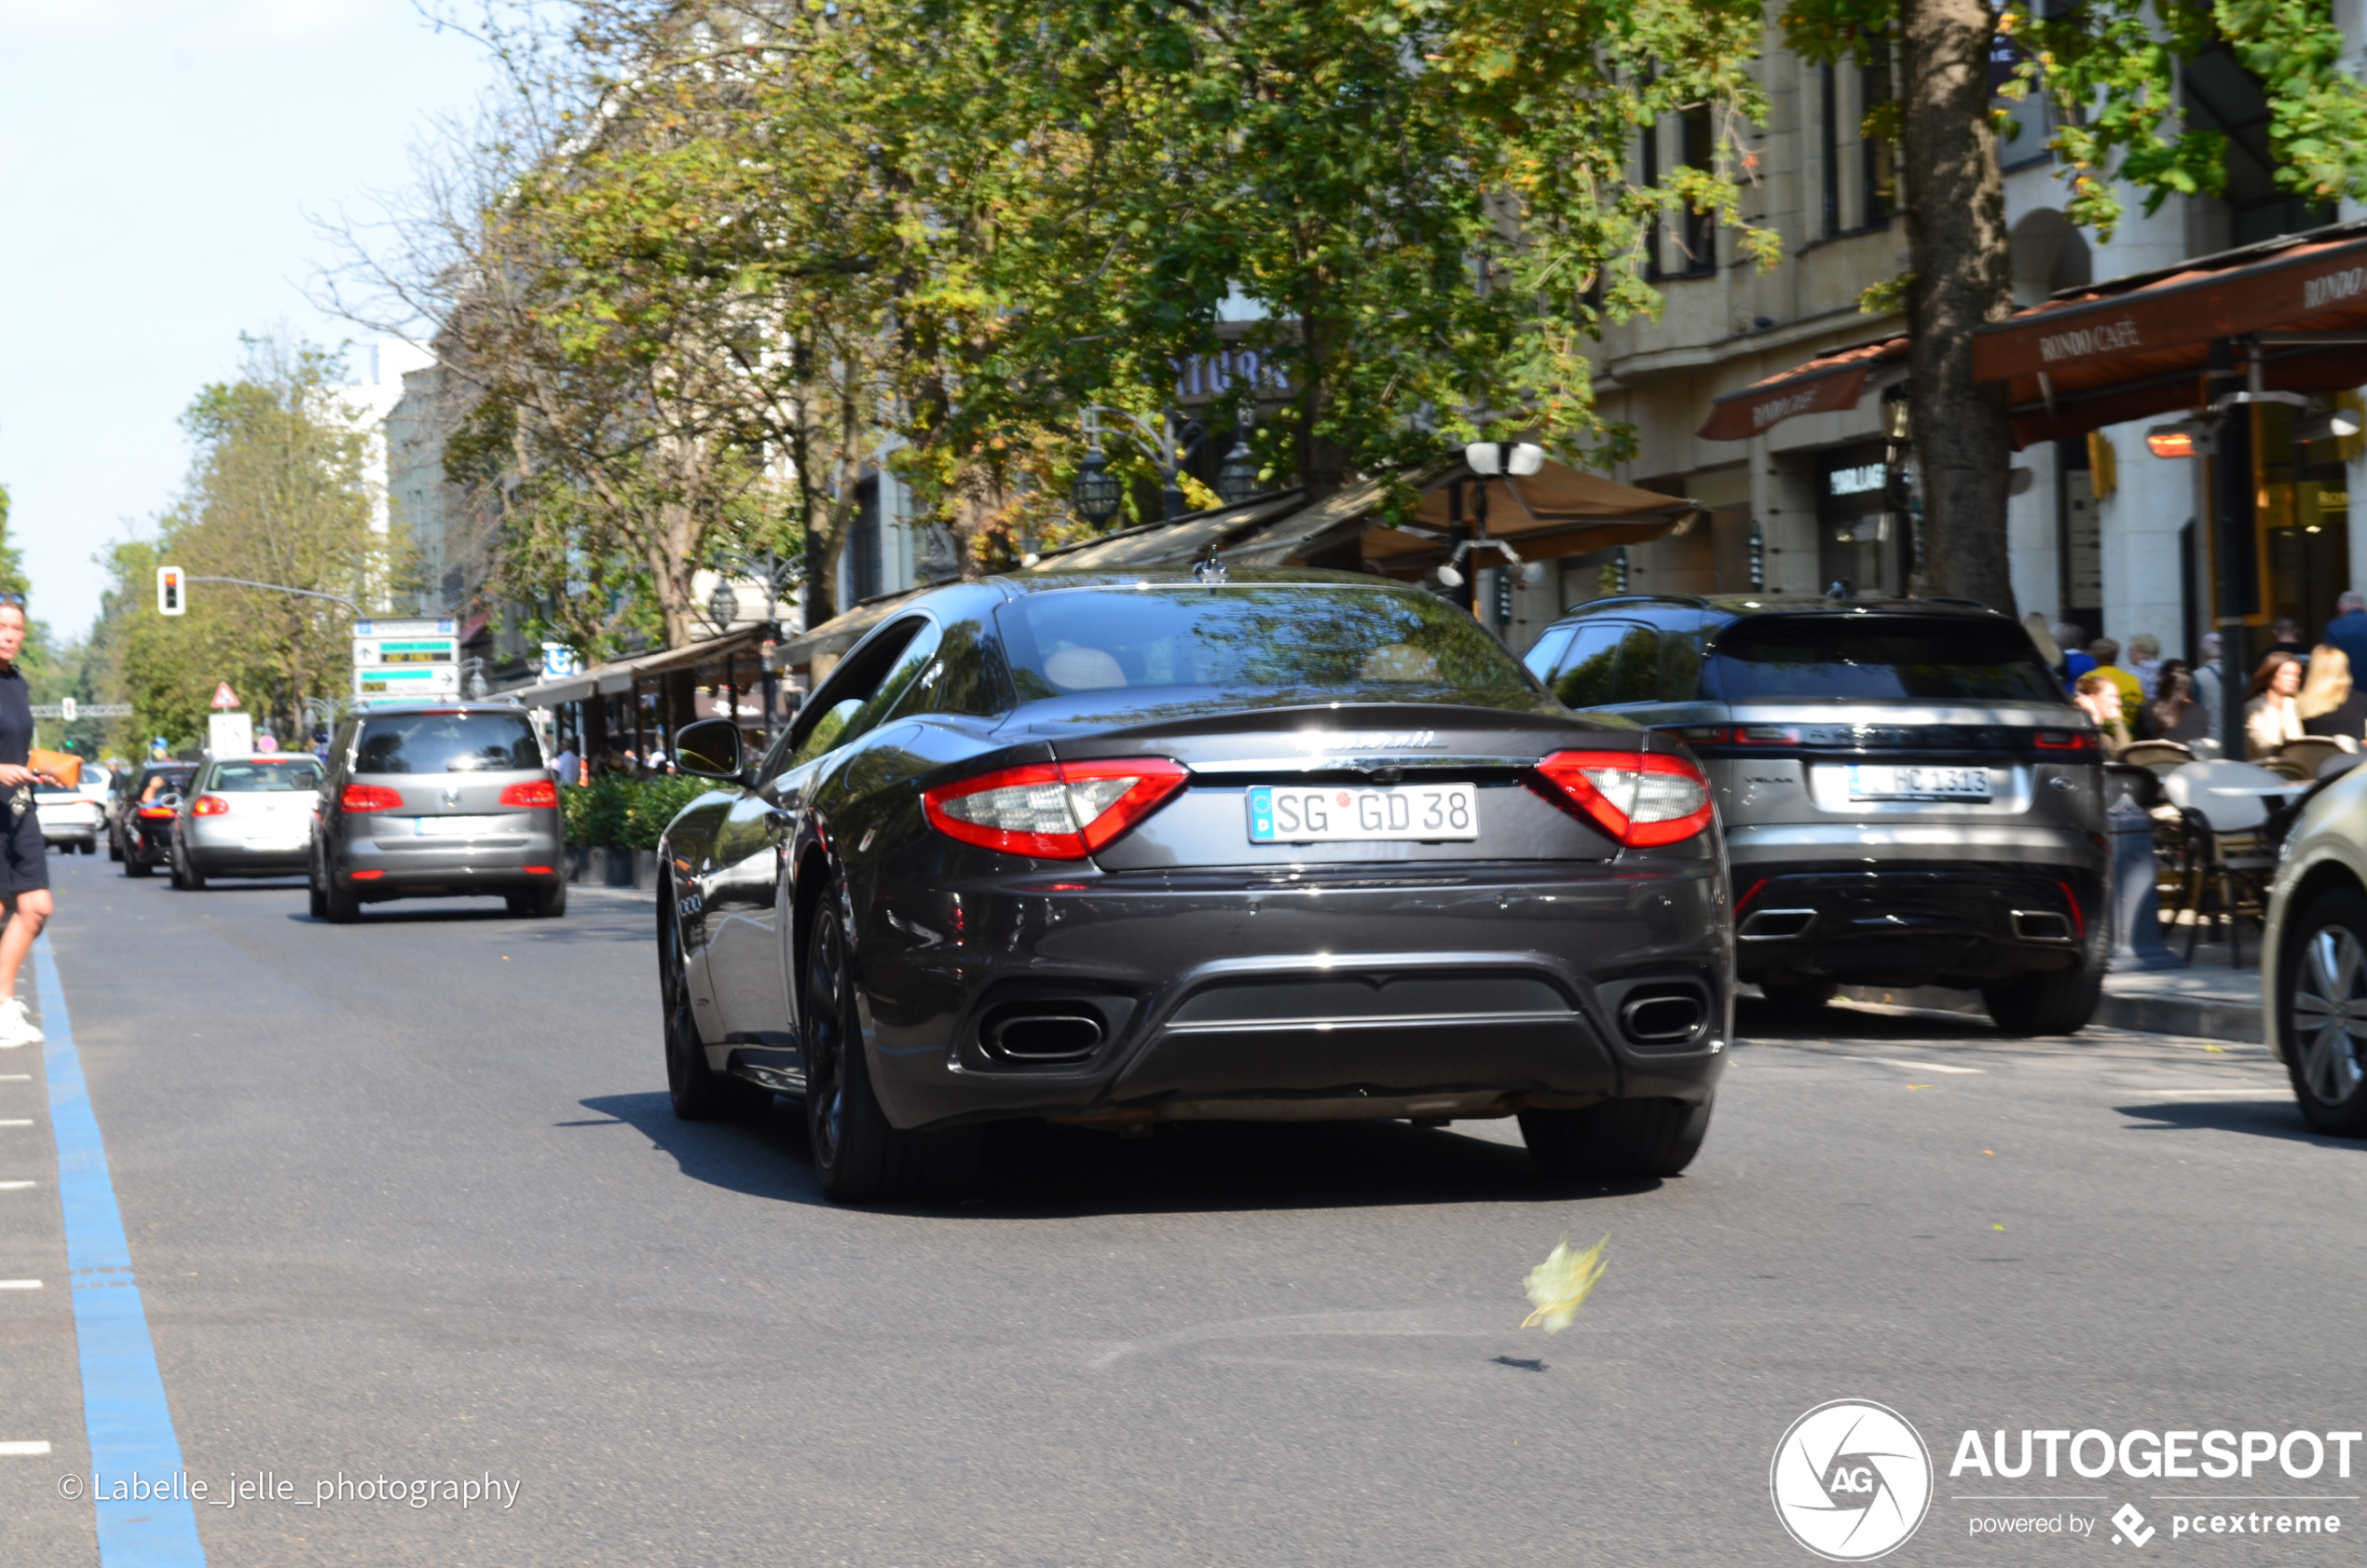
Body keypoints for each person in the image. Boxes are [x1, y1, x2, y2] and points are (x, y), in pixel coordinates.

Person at [0, 598, 56, 1049]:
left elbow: (19, 746)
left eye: (17, 628)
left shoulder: (16, 682)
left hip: (19, 806)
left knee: (36, 906)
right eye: (2, 625)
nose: (10, 635)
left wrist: (46, 767)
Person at [2298, 644, 2367, 748]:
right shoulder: (2361, 700)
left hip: (2315, 762)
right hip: (2353, 762)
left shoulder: (2299, 703)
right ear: (2344, 668)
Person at [2244, 649, 2306, 759]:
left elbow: (2300, 745)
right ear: (2270, 675)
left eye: (2297, 675)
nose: (2294, 679)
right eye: (2286, 673)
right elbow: (2262, 748)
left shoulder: (2292, 705)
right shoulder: (2253, 707)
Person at [2087, 637, 2144, 729]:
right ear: (2116, 656)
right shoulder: (2132, 679)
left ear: (2095, 656)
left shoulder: (2086, 678)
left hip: (2098, 732)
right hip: (2128, 731)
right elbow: (2138, 709)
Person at [2073, 672, 2133, 757]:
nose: (2119, 703)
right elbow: (2121, 754)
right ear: (2092, 699)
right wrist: (2095, 721)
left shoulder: (2103, 733)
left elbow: (2122, 752)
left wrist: (2116, 720)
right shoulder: (2076, 724)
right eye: (2111, 696)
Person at [2326, 591, 2367, 672]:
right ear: (2362, 605)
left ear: (2341, 606)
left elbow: (2331, 661)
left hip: (2348, 680)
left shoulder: (2335, 626)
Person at [2126, 633, 2164, 700]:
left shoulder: (2133, 675)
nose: (2128, 653)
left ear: (2142, 652)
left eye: (2130, 649)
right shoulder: (2164, 669)